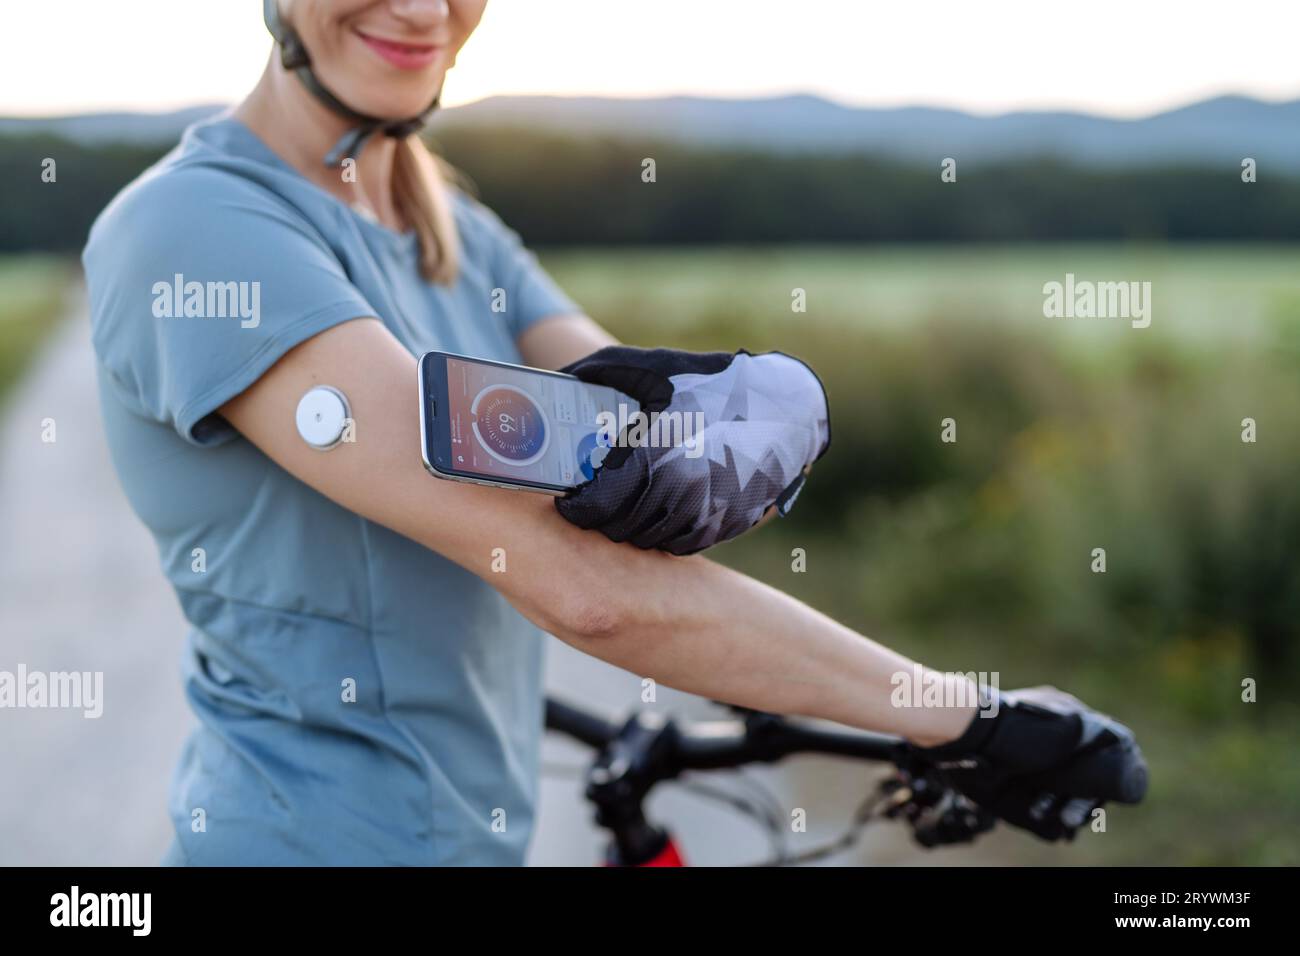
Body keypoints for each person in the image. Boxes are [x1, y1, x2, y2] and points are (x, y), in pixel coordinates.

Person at [83, 0, 1144, 865]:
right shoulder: (195, 233)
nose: (421, 9)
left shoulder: (445, 222)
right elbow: (582, 584)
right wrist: (966, 715)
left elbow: (632, 416)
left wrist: (745, 423)